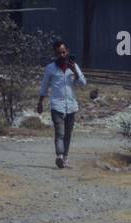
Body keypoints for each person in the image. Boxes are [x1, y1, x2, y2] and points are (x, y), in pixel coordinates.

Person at [37, 39, 87, 169]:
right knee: (60, 132)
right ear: (55, 54)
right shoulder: (50, 68)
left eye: (64, 52)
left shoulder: (74, 66)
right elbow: (44, 86)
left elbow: (83, 83)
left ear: (67, 51)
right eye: (59, 53)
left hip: (71, 105)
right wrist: (40, 102)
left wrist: (74, 71)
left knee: (68, 133)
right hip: (57, 105)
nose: (62, 56)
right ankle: (59, 156)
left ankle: (65, 159)